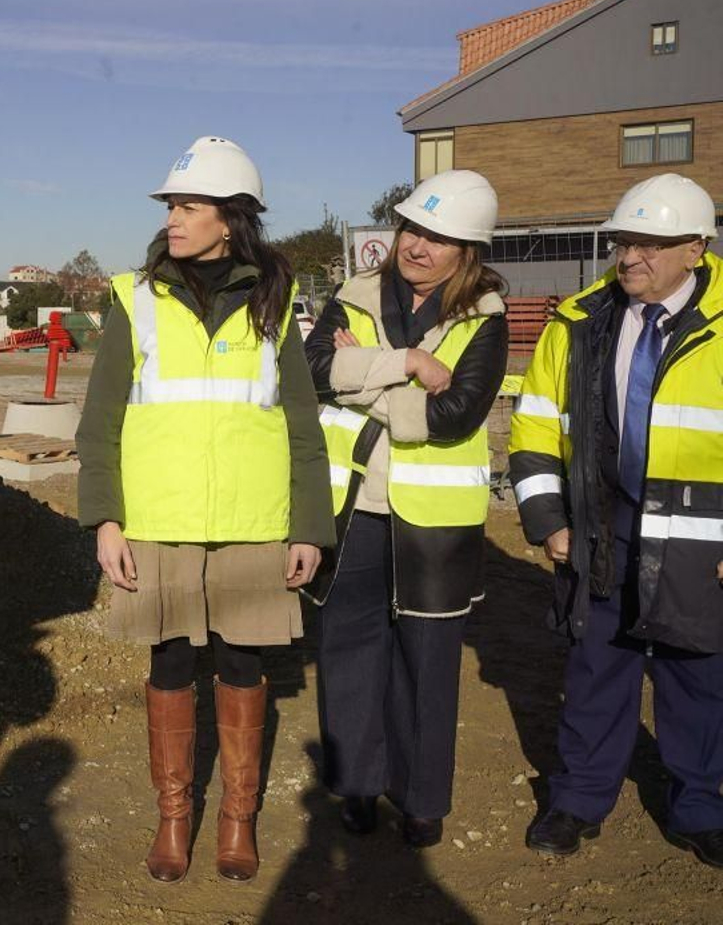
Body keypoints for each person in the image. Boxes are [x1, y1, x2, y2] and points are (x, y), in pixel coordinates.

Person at [76, 136, 332, 884]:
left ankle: (236, 818)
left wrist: (310, 527)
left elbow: (300, 424)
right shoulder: (135, 298)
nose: (173, 218)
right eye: (172, 206)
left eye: (188, 205)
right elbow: (101, 422)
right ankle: (174, 815)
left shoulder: (275, 301)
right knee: (170, 661)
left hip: (255, 524)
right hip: (158, 521)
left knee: (245, 664)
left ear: (231, 219)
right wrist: (106, 520)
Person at [509, 173, 723, 868]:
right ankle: (579, 798)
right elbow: (535, 426)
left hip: (700, 537)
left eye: (652, 244)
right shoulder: (578, 322)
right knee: (598, 667)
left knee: (699, 675)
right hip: (603, 526)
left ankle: (701, 806)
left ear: (696, 248)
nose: (630, 256)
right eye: (625, 240)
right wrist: (548, 519)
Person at [303, 169, 508, 849]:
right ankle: (356, 784)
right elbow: (309, 373)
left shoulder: (486, 317)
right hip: (352, 507)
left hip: (434, 523)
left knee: (426, 660)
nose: (418, 244)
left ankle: (421, 797)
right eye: (414, 227)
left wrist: (361, 373)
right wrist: (408, 361)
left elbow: (453, 415)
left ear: (467, 252)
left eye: (439, 236)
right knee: (348, 651)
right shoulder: (353, 294)